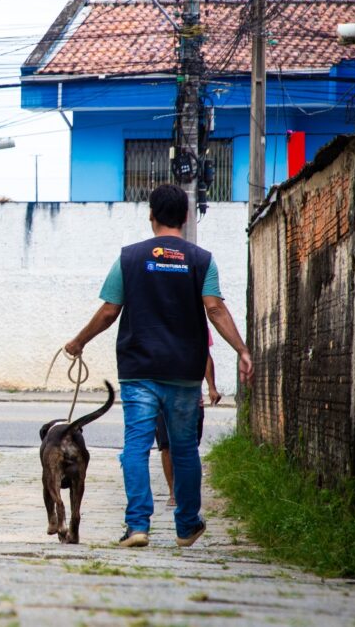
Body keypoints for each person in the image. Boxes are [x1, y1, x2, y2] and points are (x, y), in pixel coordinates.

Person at [64, 184, 252, 549]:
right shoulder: (201, 259)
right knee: (183, 448)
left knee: (135, 445)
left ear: (151, 215)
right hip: (184, 371)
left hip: (139, 370)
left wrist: (79, 341)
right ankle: (186, 526)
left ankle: (137, 526)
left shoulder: (129, 259)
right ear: (185, 217)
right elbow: (214, 309)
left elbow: (108, 311)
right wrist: (242, 350)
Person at [158, 339, 221, 508]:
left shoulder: (195, 317)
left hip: (190, 398)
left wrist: (211, 387)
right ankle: (173, 492)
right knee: (166, 446)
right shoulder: (155, 317)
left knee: (189, 447)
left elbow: (205, 355)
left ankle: (187, 491)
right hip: (161, 398)